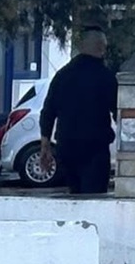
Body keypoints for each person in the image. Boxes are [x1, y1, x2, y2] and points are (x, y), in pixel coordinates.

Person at [38, 27, 118, 195]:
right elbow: (118, 111)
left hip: (67, 147)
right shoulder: (105, 76)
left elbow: (48, 110)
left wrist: (45, 143)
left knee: (74, 193)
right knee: (94, 196)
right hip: (95, 147)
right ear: (100, 47)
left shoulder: (62, 75)